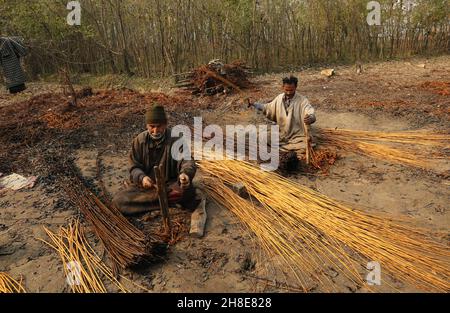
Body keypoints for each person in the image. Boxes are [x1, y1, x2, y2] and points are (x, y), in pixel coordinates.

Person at [112, 104, 197, 215]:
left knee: (188, 192)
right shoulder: (139, 140)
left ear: (165, 124)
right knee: (119, 200)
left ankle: (153, 203)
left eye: (159, 126)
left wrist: (185, 174)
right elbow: (134, 167)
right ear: (147, 125)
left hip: (170, 186)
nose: (155, 130)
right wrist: (142, 178)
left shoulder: (176, 139)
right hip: (148, 188)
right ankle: (165, 203)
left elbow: (187, 161)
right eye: (152, 126)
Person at [250, 75, 316, 153]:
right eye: (286, 90)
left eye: (291, 90)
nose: (288, 92)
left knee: (306, 146)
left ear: (296, 87)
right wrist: (254, 104)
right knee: (262, 138)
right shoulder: (279, 98)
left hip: (297, 135)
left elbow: (309, 111)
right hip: (281, 133)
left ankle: (283, 149)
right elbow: (267, 108)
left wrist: (311, 118)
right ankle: (284, 148)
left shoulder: (302, 100)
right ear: (282, 87)